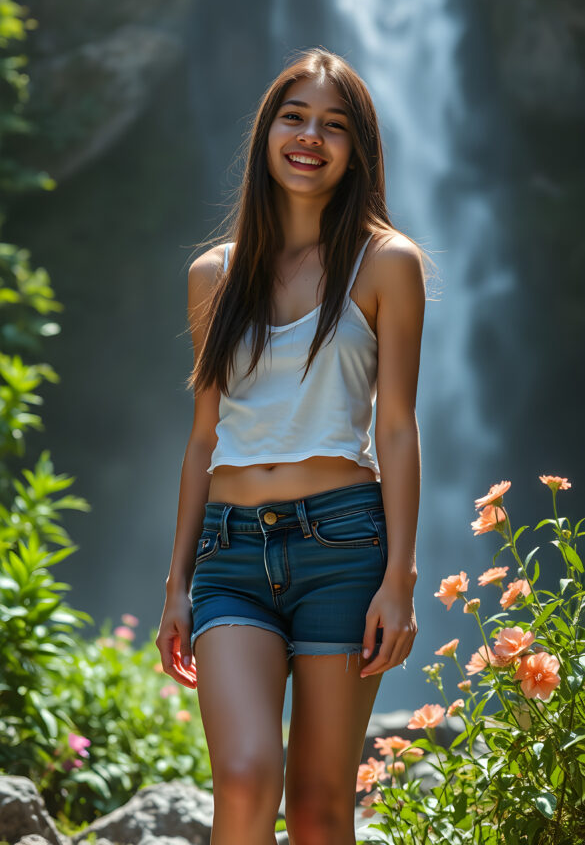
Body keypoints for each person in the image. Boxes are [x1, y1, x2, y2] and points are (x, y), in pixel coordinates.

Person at [156, 47, 433, 845]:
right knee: (243, 778)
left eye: (334, 125)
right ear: (266, 134)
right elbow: (203, 436)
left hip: (344, 547)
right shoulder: (215, 274)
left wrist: (398, 581)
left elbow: (395, 426)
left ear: (358, 150)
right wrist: (176, 582)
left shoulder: (387, 264)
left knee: (318, 810)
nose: (310, 136)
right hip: (231, 555)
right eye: (294, 116)